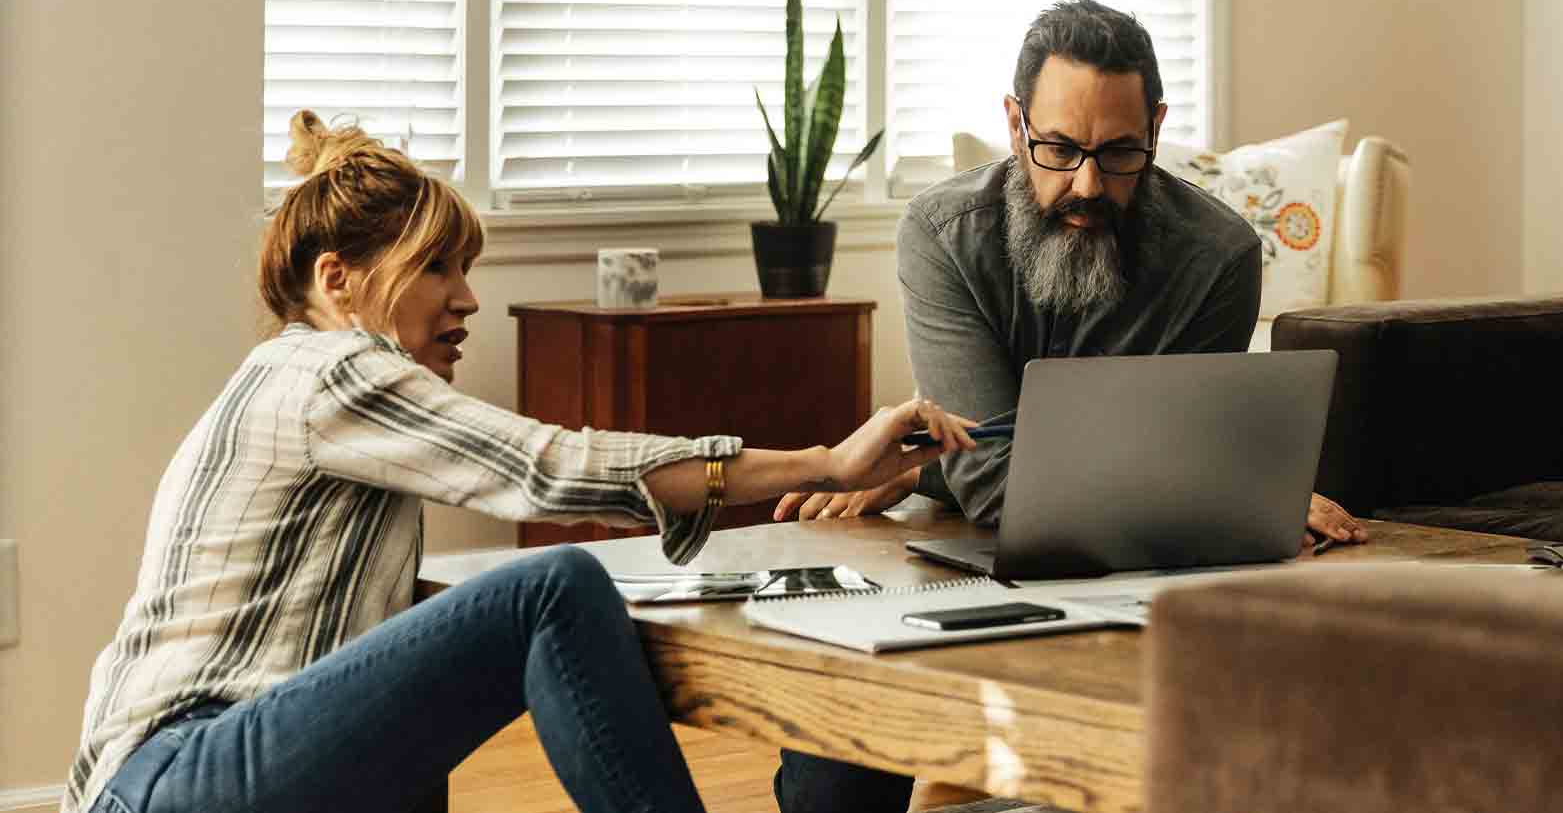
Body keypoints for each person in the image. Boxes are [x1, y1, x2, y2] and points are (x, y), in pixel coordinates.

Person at [63, 111, 977, 813]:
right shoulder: (329, 369)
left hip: (159, 779)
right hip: (178, 772)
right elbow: (548, 466)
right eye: (435, 270)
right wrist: (826, 462)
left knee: (451, 661)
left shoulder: (295, 387)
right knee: (550, 589)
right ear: (335, 278)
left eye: (465, 269)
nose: (465, 299)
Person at [768, 0, 1371, 811]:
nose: (1088, 183)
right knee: (831, 753)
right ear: (1016, 125)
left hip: (1130, 568)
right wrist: (945, 476)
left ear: (1155, 128)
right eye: (1058, 149)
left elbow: (1147, 453)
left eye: (1121, 153)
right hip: (958, 544)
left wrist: (925, 470)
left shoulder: (1218, 254)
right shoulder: (942, 233)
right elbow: (997, 483)